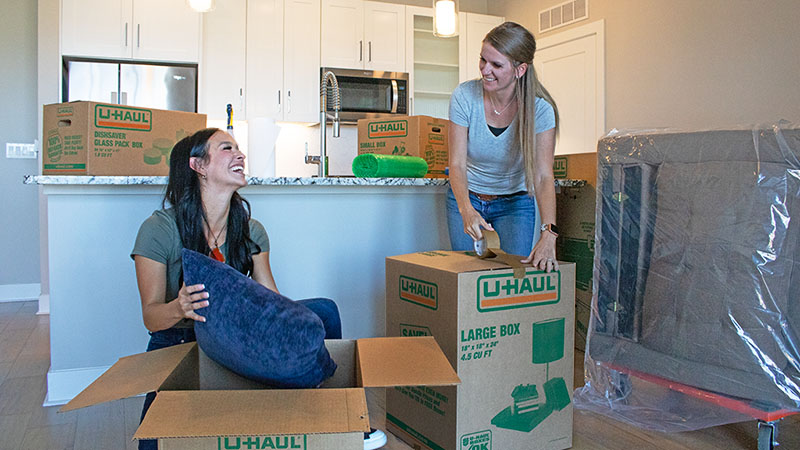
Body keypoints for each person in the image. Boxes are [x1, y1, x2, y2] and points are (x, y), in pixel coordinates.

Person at [130, 128, 385, 450]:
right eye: (227, 148)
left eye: (238, 148)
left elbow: (271, 298)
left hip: (234, 334)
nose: (240, 155)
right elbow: (151, 318)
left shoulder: (251, 230)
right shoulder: (159, 230)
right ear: (199, 166)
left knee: (323, 311)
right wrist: (178, 307)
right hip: (180, 337)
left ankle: (339, 415)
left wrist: (293, 328)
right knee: (153, 441)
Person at [447, 21, 560, 272]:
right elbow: (456, 163)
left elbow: (543, 176)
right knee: (466, 278)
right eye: (483, 60)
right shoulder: (465, 97)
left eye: (497, 65)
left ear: (520, 70)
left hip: (515, 203)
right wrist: (466, 210)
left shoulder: (540, 110)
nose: (486, 70)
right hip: (468, 197)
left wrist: (549, 235)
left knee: (512, 279)